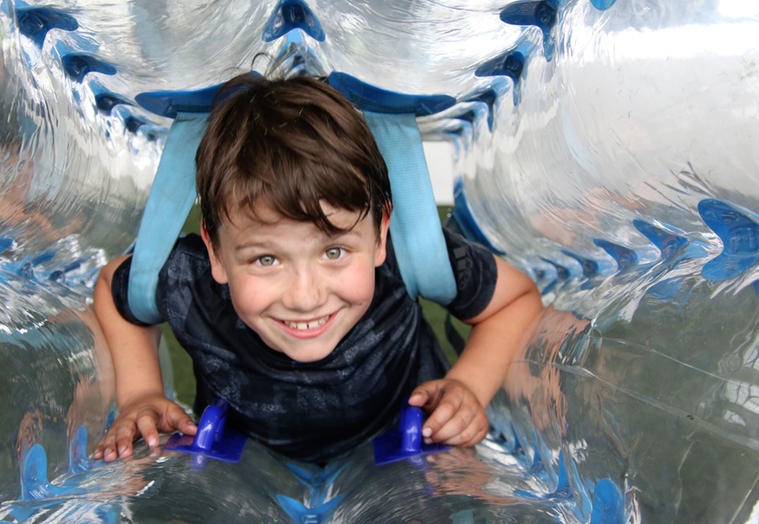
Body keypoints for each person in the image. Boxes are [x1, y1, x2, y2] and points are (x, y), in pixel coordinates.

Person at [92, 73, 542, 464]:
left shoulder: (414, 257)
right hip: (253, 455)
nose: (305, 296)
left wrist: (469, 384)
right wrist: (140, 392)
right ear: (216, 252)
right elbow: (117, 291)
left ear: (379, 232)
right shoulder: (190, 281)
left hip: (401, 438)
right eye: (266, 259)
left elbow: (516, 301)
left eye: (334, 252)